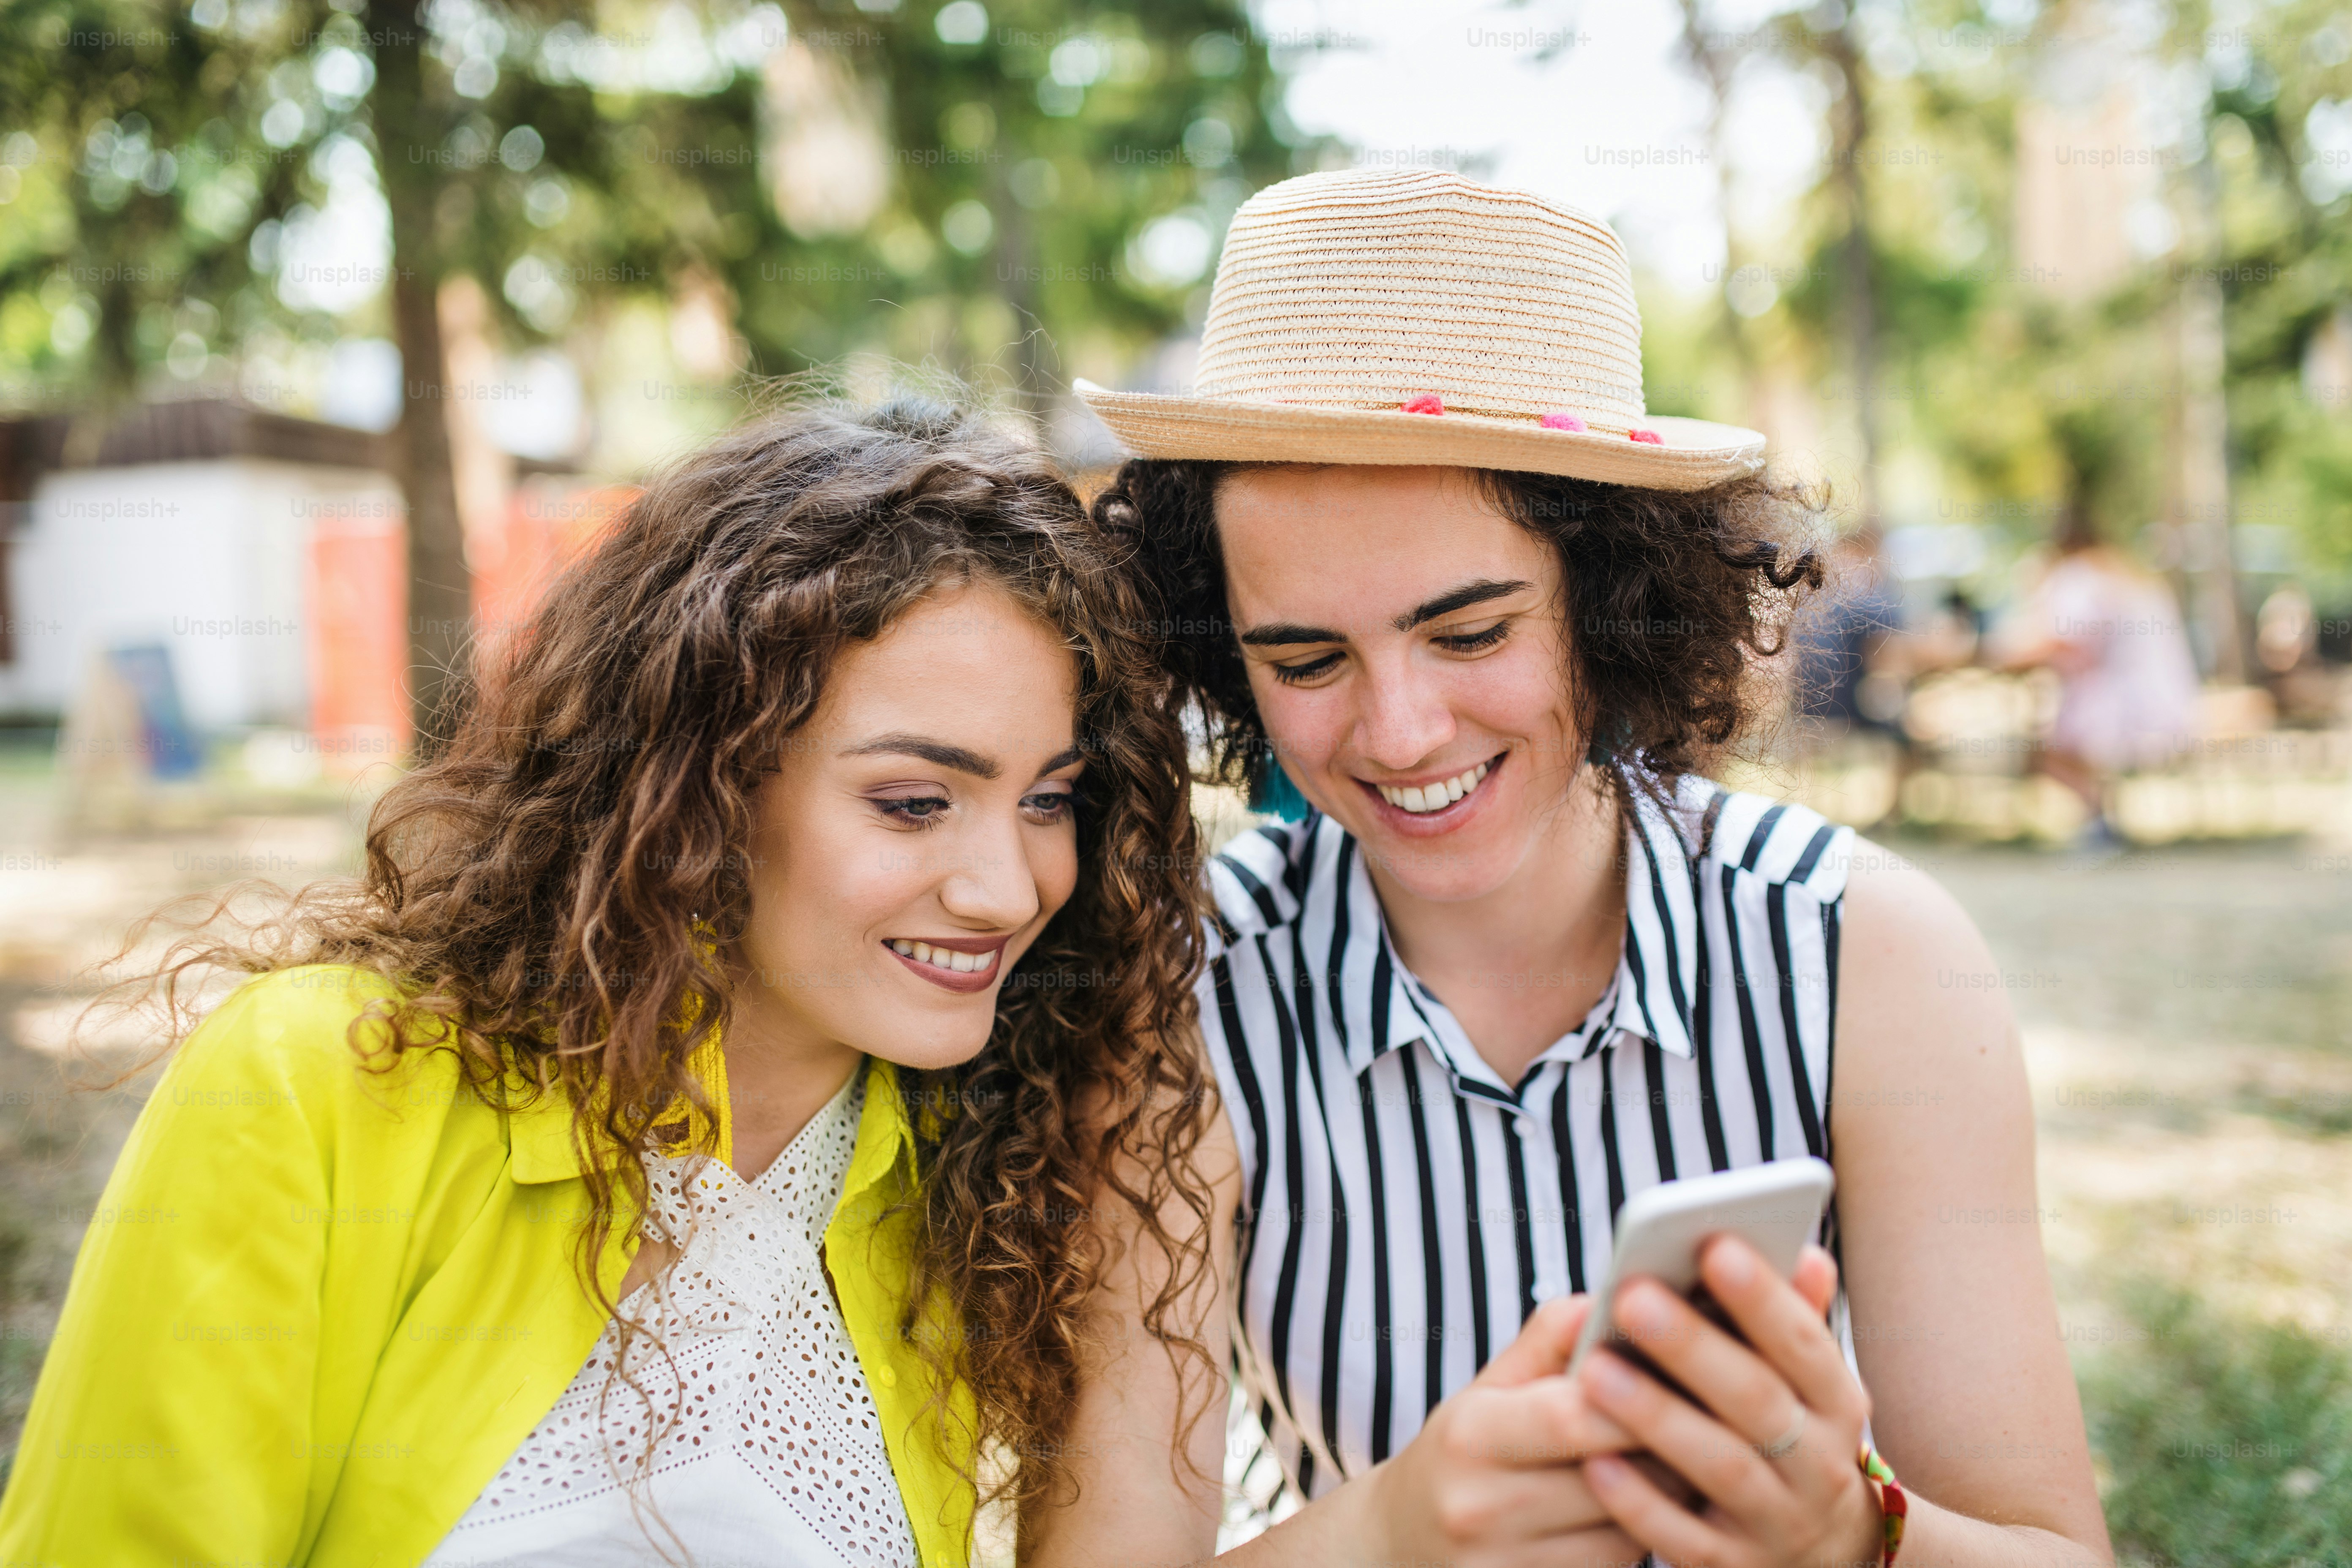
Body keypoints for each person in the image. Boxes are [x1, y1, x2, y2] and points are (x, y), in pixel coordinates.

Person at [1031, 170, 2112, 1568]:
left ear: (1611, 604)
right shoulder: (1177, 999)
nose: (1398, 731)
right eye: (1302, 658)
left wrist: (1852, 1536)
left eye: (1470, 634)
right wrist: (1394, 1529)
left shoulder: (1864, 955)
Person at [0, 401, 1213, 1567]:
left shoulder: (980, 1188)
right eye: (914, 803)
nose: (1007, 889)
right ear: (701, 790)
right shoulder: (320, 1090)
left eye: (1049, 799)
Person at [1993, 498, 2200, 837]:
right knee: (2057, 735)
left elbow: (2063, 641)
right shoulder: (2128, 573)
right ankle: (2100, 817)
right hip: (2172, 700)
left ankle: (2098, 819)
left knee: (2041, 750)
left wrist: (1997, 652)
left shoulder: (2084, 576)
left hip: (2131, 708)